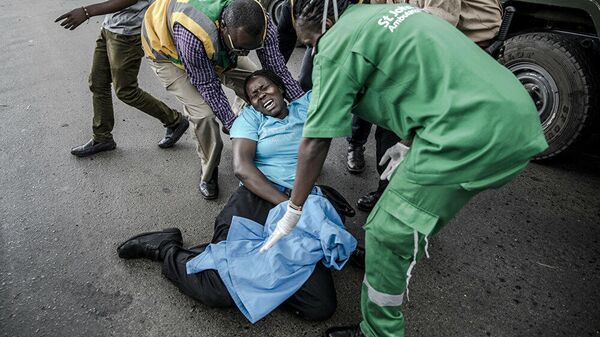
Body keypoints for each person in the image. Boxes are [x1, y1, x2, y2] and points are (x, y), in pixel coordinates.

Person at [260, 1, 548, 336]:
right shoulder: (387, 14)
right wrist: (409, 141)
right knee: (401, 211)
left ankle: (379, 332)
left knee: (387, 231)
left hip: (471, 133)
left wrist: (294, 209)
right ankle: (402, 246)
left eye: (309, 42)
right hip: (515, 112)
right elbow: (424, 77)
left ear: (327, 21)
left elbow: (315, 142)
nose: (311, 49)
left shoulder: (335, 45)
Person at [117, 70, 355, 323]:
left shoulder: (306, 105)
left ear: (282, 88)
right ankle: (165, 248)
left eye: (265, 88)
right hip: (259, 196)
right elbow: (242, 168)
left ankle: (255, 275)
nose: (261, 96)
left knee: (319, 307)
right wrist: (290, 207)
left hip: (302, 198)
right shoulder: (251, 119)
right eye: (254, 95)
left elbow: (339, 80)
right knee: (216, 290)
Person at [349, 0, 504, 212]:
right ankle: (394, 187)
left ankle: (395, 195)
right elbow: (378, 11)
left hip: (465, 41)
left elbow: (438, 21)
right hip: (438, 34)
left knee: (395, 104)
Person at [142, 0, 304, 199]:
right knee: (204, 115)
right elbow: (208, 84)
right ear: (224, 28)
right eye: (241, 48)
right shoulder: (193, 33)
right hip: (168, 51)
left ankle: (265, 144)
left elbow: (276, 69)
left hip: (216, 45)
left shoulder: (260, 19)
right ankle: (208, 170)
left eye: (250, 48)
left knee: (258, 85)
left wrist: (303, 105)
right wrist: (233, 125)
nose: (244, 54)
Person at [55, 0, 189, 158]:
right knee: (98, 83)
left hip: (128, 34)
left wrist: (87, 11)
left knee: (126, 91)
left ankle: (174, 121)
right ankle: (102, 137)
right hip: (110, 26)